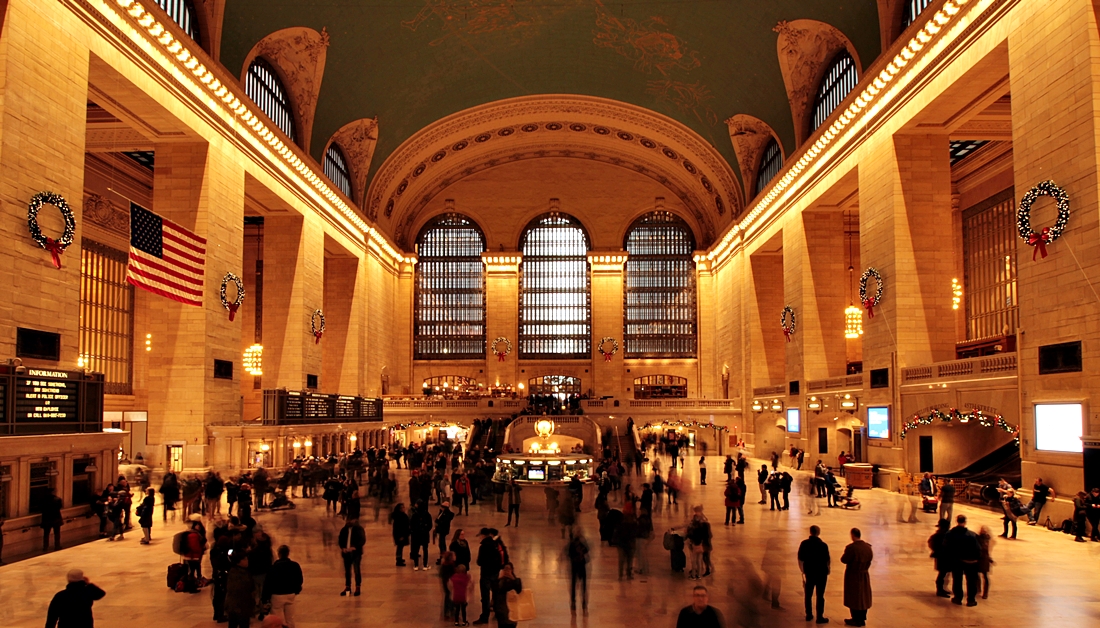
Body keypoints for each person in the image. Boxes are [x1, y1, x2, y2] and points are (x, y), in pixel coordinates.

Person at [263, 544, 303, 628]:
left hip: (277, 595)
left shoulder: (273, 567)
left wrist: (265, 598)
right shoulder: (295, 565)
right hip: (290, 594)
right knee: (290, 618)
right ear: (288, 553)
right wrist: (296, 590)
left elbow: (268, 583)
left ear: (279, 554)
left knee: (278, 619)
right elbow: (299, 579)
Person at [945, 514, 981, 606]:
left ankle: (958, 598)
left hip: (956, 560)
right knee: (971, 581)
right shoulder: (972, 535)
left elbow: (946, 546)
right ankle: (971, 600)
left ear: (957, 521)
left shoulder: (950, 534)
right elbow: (978, 549)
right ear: (965, 522)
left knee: (957, 580)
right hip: (970, 561)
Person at [798, 525, 830, 624]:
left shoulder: (804, 544)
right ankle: (820, 616)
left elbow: (800, 558)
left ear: (810, 532)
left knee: (808, 594)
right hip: (821, 573)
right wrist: (828, 569)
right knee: (820, 595)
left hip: (810, 572)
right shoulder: (823, 545)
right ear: (818, 533)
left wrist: (803, 570)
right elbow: (827, 559)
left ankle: (809, 614)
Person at [840, 528, 873, 626]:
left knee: (854, 597)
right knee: (864, 596)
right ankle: (862, 618)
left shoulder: (852, 548)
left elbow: (844, 559)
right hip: (864, 574)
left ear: (853, 535)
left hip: (853, 575)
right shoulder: (868, 547)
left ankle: (855, 618)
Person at [473, 528, 503, 625]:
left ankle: (485, 617)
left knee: (485, 597)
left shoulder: (483, 546)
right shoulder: (495, 544)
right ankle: (498, 614)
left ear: (483, 535)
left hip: (486, 574)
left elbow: (480, 561)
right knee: (496, 594)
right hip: (495, 573)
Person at [225, 554, 256, 628]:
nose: (247, 561)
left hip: (235, 605)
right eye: (245, 559)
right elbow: (241, 588)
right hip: (240, 605)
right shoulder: (240, 574)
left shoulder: (234, 571)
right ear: (239, 562)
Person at [339, 517, 366, 596]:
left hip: (356, 553)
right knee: (347, 571)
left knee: (356, 570)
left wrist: (355, 547)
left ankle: (357, 586)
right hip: (346, 553)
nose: (349, 521)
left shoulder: (359, 529)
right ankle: (348, 587)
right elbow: (340, 539)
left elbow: (362, 540)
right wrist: (343, 548)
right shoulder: (344, 530)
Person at [567, 528, 589, 613]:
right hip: (577, 565)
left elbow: (587, 550)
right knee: (576, 584)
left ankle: (580, 601)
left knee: (578, 584)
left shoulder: (581, 542)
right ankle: (575, 601)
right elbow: (570, 554)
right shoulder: (573, 543)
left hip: (578, 565)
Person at [493, 562, 523, 628]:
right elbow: (494, 589)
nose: (507, 571)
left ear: (512, 570)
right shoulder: (499, 581)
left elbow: (519, 590)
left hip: (512, 609)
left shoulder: (516, 580)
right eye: (505, 569)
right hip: (502, 610)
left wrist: (513, 579)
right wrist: (499, 579)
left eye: (508, 569)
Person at [927, 519, 952, 597]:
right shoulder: (944, 535)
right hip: (944, 557)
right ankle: (940, 590)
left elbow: (930, 542)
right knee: (942, 574)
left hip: (940, 556)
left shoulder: (938, 534)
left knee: (942, 573)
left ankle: (941, 589)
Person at [411, 500, 434, 570]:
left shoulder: (415, 514)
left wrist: (415, 530)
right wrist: (425, 529)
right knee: (425, 550)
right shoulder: (427, 514)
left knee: (416, 550)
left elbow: (411, 524)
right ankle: (425, 565)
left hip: (416, 535)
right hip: (424, 534)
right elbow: (430, 525)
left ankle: (416, 565)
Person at [976, 525, 993, 600]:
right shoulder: (978, 537)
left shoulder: (986, 539)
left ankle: (985, 592)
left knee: (985, 576)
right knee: (978, 575)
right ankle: (978, 589)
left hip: (984, 559)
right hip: (980, 558)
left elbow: (986, 549)